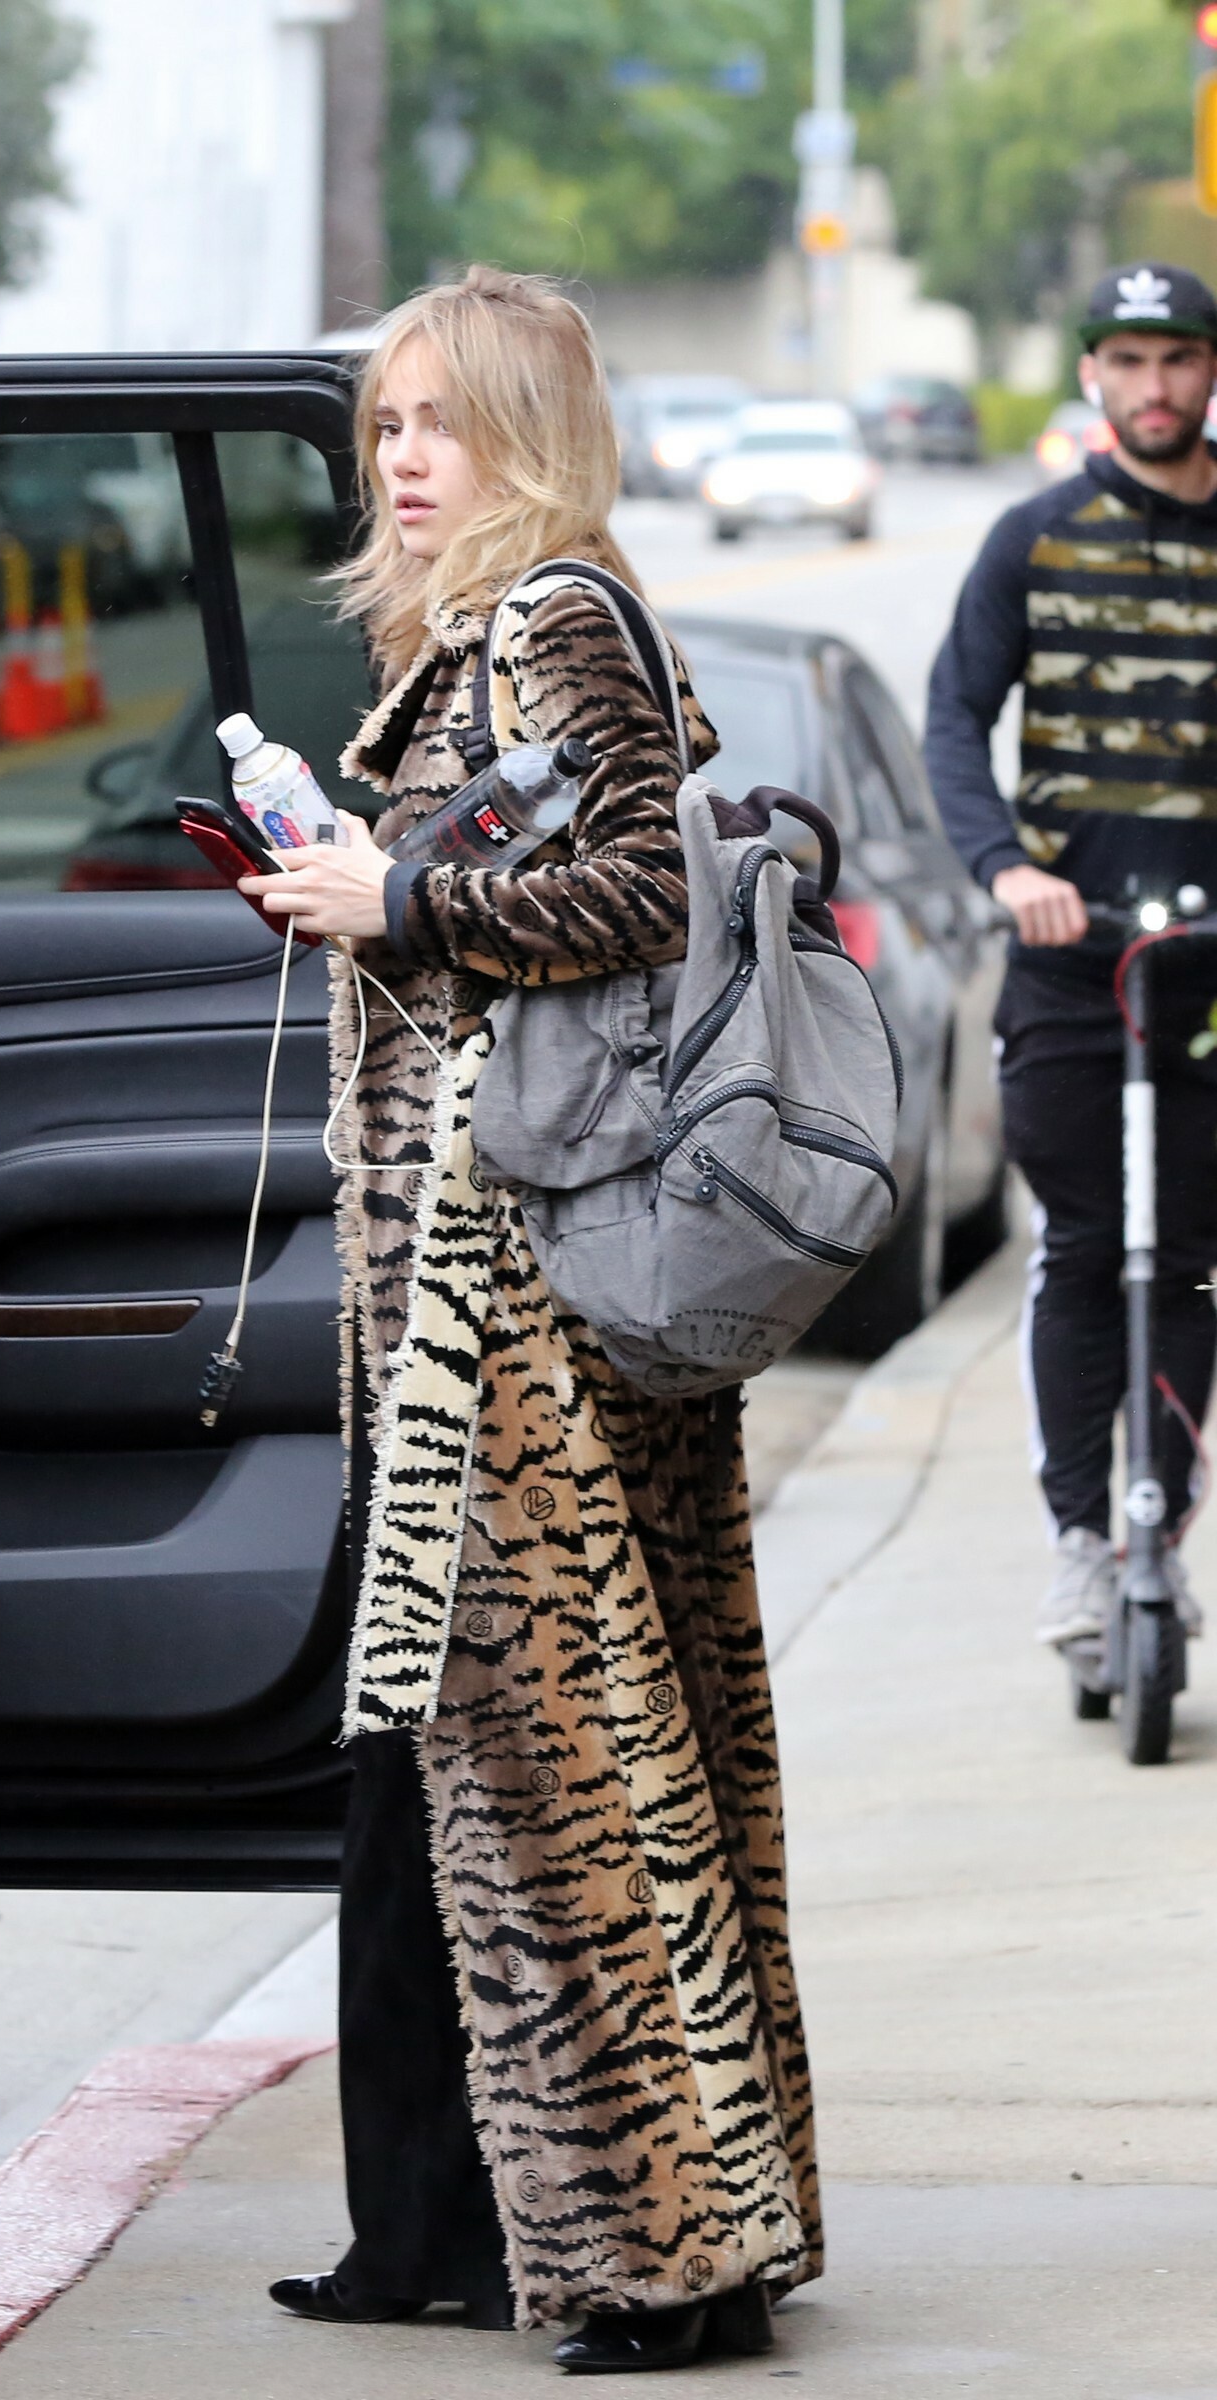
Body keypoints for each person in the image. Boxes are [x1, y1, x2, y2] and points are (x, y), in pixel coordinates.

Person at [236, 265, 821, 2375]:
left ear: (533, 433)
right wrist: (364, 876)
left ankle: (671, 2259)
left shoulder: (558, 615)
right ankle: (426, 2225)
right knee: (418, 1766)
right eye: (386, 424)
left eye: (443, 421)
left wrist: (393, 895)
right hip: (464, 1300)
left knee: (568, 1771)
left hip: (522, 1308)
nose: (403, 461)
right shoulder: (465, 636)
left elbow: (647, 893)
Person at [925, 260, 1217, 1649]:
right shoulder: (1033, 540)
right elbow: (954, 718)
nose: (1154, 387)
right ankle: (1080, 1543)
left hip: (1208, 976)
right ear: (1094, 373)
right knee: (1088, 1245)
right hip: (1069, 967)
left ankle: (1159, 1517)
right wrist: (1008, 868)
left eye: (1179, 358)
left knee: (1192, 1255)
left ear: (1209, 372)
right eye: (1129, 360)